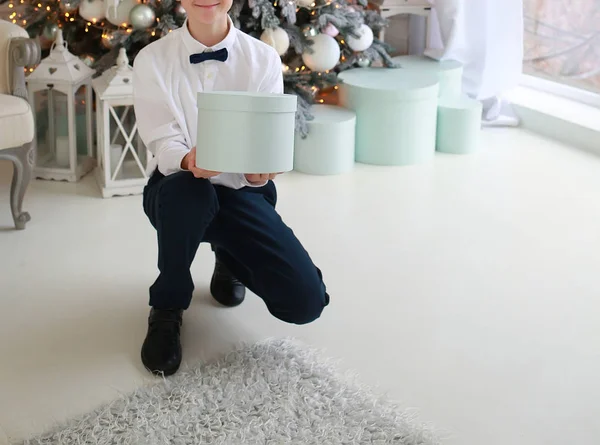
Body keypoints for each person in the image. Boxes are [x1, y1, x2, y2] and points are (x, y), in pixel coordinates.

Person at [132, 0, 329, 376]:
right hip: (177, 192)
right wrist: (190, 160)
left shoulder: (263, 59)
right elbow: (162, 142)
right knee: (190, 192)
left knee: (305, 302)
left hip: (241, 192)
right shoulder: (152, 59)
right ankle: (168, 305)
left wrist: (260, 172)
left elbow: (264, 144)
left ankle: (229, 257)